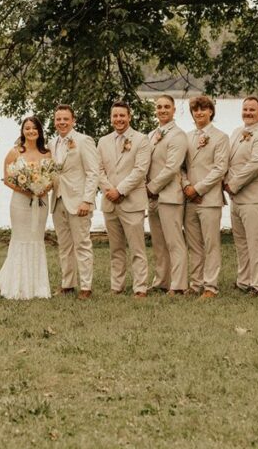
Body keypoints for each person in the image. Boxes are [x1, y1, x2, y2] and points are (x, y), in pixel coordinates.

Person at [223, 96, 258, 295]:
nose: (248, 113)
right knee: (242, 242)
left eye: (252, 110)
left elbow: (256, 164)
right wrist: (225, 181)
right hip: (237, 198)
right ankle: (244, 281)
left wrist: (233, 184)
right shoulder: (237, 132)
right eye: (245, 109)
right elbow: (228, 160)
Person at [97, 101, 151, 298]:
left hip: (131, 201)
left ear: (129, 116)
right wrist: (109, 190)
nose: (118, 119)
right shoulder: (103, 141)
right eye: (115, 116)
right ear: (111, 118)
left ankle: (140, 287)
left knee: (137, 247)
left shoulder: (141, 139)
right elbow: (98, 169)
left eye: (122, 115)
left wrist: (120, 191)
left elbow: (140, 170)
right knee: (116, 248)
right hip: (110, 202)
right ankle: (116, 286)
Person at [0, 116, 53, 299]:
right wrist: (25, 189)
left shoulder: (47, 153)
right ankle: (16, 284)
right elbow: (6, 178)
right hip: (20, 202)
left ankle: (37, 286)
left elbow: (52, 178)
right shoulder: (15, 152)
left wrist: (43, 188)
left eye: (34, 128)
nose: (31, 131)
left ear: (39, 131)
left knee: (36, 238)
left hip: (42, 201)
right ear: (22, 131)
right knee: (20, 238)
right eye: (27, 128)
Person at [49, 104, 100, 299]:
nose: (61, 122)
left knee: (82, 244)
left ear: (73, 121)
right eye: (58, 119)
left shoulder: (84, 141)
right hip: (58, 199)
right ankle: (67, 284)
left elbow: (92, 172)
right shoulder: (52, 144)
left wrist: (87, 200)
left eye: (65, 119)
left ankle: (86, 287)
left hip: (78, 201)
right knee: (64, 245)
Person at [181, 95, 229, 299]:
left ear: (211, 111)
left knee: (211, 244)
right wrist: (186, 187)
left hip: (209, 199)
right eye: (195, 110)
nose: (199, 113)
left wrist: (198, 189)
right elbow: (181, 167)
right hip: (189, 199)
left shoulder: (221, 137)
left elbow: (220, 169)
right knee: (194, 244)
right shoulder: (187, 137)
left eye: (203, 109)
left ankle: (211, 286)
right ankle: (196, 283)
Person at [146, 95, 188, 295]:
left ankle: (178, 285)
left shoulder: (178, 136)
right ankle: (162, 280)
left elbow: (172, 167)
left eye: (166, 107)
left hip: (170, 195)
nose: (162, 110)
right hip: (152, 196)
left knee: (174, 242)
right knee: (158, 242)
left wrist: (151, 187)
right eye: (159, 107)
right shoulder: (152, 134)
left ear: (173, 110)